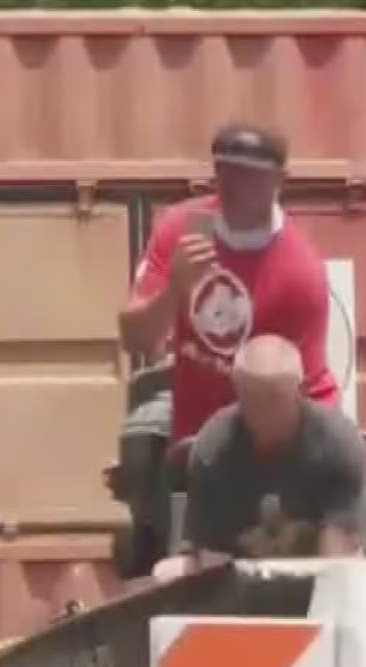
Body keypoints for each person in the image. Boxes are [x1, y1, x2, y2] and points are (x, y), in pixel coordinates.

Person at [117, 121, 339, 453]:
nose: (232, 186)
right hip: (196, 438)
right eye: (224, 171)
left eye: (249, 174)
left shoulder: (298, 270)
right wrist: (175, 289)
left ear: (279, 181)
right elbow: (134, 338)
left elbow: (296, 392)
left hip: (276, 438)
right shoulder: (182, 229)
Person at [153, 335, 366, 583]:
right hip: (237, 571)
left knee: (357, 576)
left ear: (301, 391)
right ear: (237, 393)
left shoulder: (339, 444)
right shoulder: (213, 448)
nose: (264, 412)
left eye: (274, 399)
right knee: (165, 574)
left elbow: (336, 558)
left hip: (315, 568)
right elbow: (212, 560)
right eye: (252, 399)